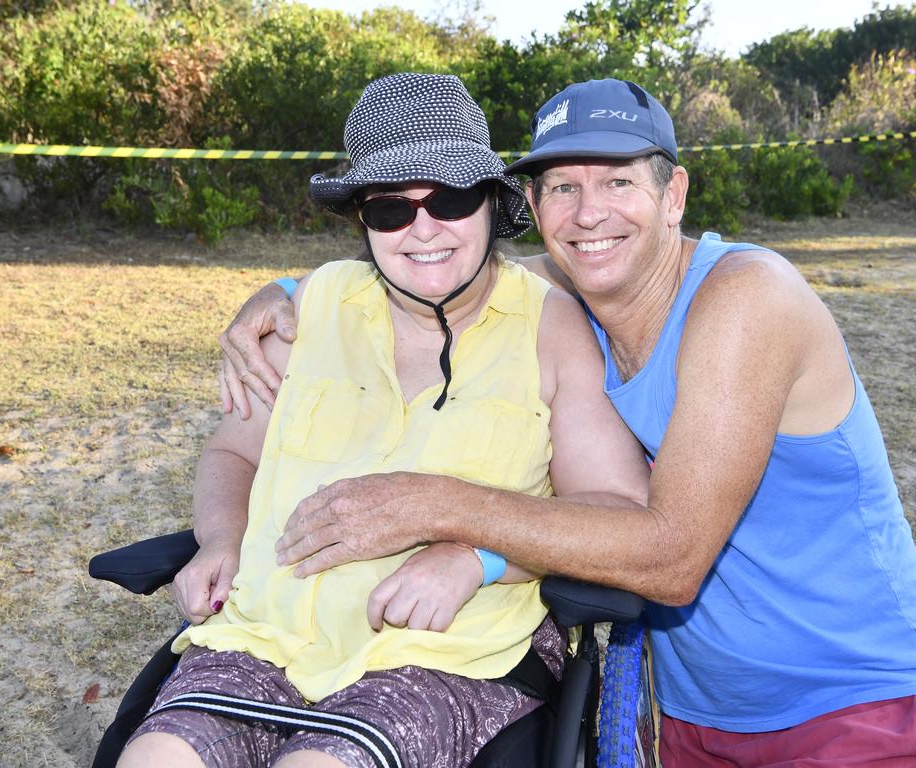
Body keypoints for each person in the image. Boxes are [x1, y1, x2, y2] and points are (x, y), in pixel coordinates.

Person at [221, 78, 916, 766]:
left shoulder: (746, 299)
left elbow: (671, 560)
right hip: (690, 712)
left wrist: (434, 509)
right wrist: (284, 293)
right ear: (530, 204)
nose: (589, 215)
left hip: (852, 699)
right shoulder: (565, 287)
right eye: (562, 188)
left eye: (618, 182)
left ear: (673, 196)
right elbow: (436, 262)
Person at [118, 73, 649, 768]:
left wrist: (479, 558)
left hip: (448, 651)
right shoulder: (305, 311)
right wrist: (220, 539)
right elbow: (232, 455)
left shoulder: (550, 327)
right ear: (361, 222)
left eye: (451, 199)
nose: (423, 229)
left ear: (494, 203)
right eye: (391, 209)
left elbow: (614, 510)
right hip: (263, 636)